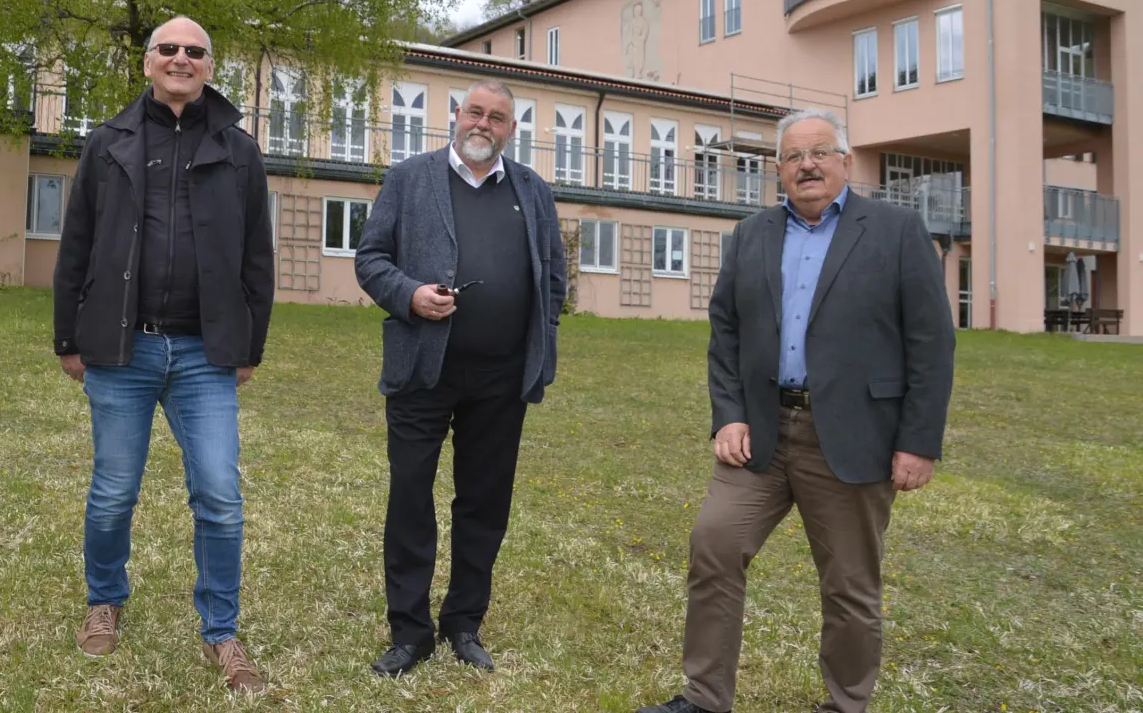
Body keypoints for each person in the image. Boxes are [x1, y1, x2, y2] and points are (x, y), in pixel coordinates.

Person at [637, 108, 954, 713]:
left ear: (846, 161)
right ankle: (705, 699)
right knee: (714, 547)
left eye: (820, 152)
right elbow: (725, 330)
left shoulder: (897, 230)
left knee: (850, 586)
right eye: (793, 156)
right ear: (777, 170)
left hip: (853, 437)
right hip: (760, 432)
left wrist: (919, 441)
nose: (807, 164)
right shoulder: (750, 234)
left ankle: (845, 703)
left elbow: (932, 344)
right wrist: (727, 414)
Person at [51, 16, 275, 693]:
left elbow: (257, 258)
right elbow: (77, 246)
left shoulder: (238, 150)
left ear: (209, 67)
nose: (181, 58)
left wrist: (248, 345)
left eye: (195, 51)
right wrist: (69, 337)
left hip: (206, 355)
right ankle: (104, 600)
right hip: (121, 350)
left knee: (219, 495)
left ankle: (222, 634)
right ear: (148, 62)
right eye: (168, 48)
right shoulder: (108, 143)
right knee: (113, 492)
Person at [354, 79, 566, 677]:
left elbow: (552, 276)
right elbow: (371, 260)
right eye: (475, 111)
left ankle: (464, 622)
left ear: (511, 130)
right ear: (455, 116)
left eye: (498, 117)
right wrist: (411, 295)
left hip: (502, 378)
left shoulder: (532, 189)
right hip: (425, 369)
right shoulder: (409, 178)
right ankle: (410, 631)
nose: (484, 124)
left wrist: (541, 340)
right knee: (411, 498)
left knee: (484, 503)